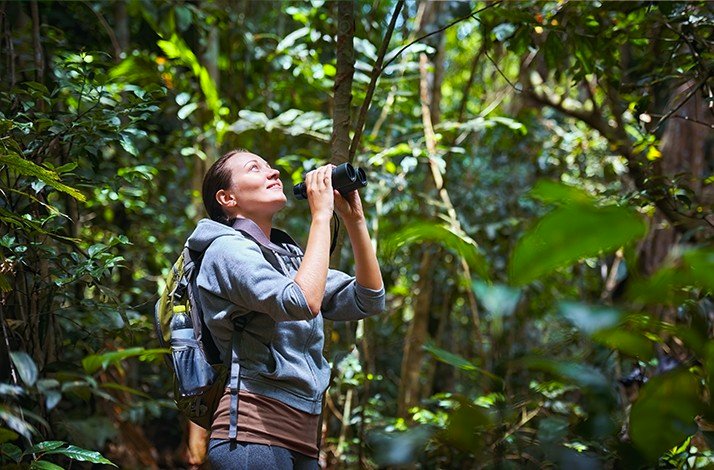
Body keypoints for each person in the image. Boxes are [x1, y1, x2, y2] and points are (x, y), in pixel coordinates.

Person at [186, 149, 386, 469]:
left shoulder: (285, 257)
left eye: (270, 166)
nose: (274, 172)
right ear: (227, 198)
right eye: (255, 168)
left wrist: (354, 219)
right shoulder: (224, 249)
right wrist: (321, 216)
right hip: (252, 433)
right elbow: (301, 302)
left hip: (303, 438)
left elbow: (369, 298)